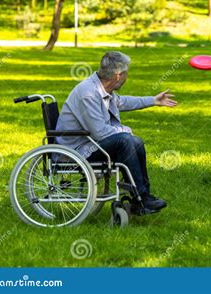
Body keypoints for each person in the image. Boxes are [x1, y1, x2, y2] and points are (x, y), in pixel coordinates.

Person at [55, 51, 177, 214]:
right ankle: (140, 198)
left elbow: (123, 101)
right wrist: (124, 131)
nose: (127, 77)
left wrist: (153, 100)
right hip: (76, 151)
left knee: (136, 142)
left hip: (89, 143)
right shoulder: (88, 93)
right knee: (126, 140)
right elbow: (100, 133)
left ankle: (142, 197)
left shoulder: (101, 88)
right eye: (127, 73)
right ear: (118, 75)